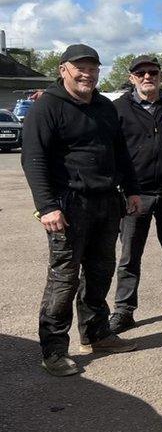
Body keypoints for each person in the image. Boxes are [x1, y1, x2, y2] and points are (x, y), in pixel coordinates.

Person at [21, 44, 140, 377]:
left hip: (106, 201)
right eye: (80, 68)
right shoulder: (47, 108)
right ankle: (54, 349)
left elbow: (121, 152)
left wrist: (131, 189)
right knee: (64, 278)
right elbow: (33, 159)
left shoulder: (104, 106)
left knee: (100, 272)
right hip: (67, 205)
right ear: (64, 70)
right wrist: (46, 206)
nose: (87, 74)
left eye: (93, 68)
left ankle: (97, 333)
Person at [110, 55, 162, 333]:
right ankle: (123, 309)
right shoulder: (118, 109)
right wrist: (121, 189)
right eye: (141, 73)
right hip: (136, 195)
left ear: (160, 76)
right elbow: (112, 154)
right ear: (132, 77)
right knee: (129, 254)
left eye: (153, 73)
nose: (148, 77)